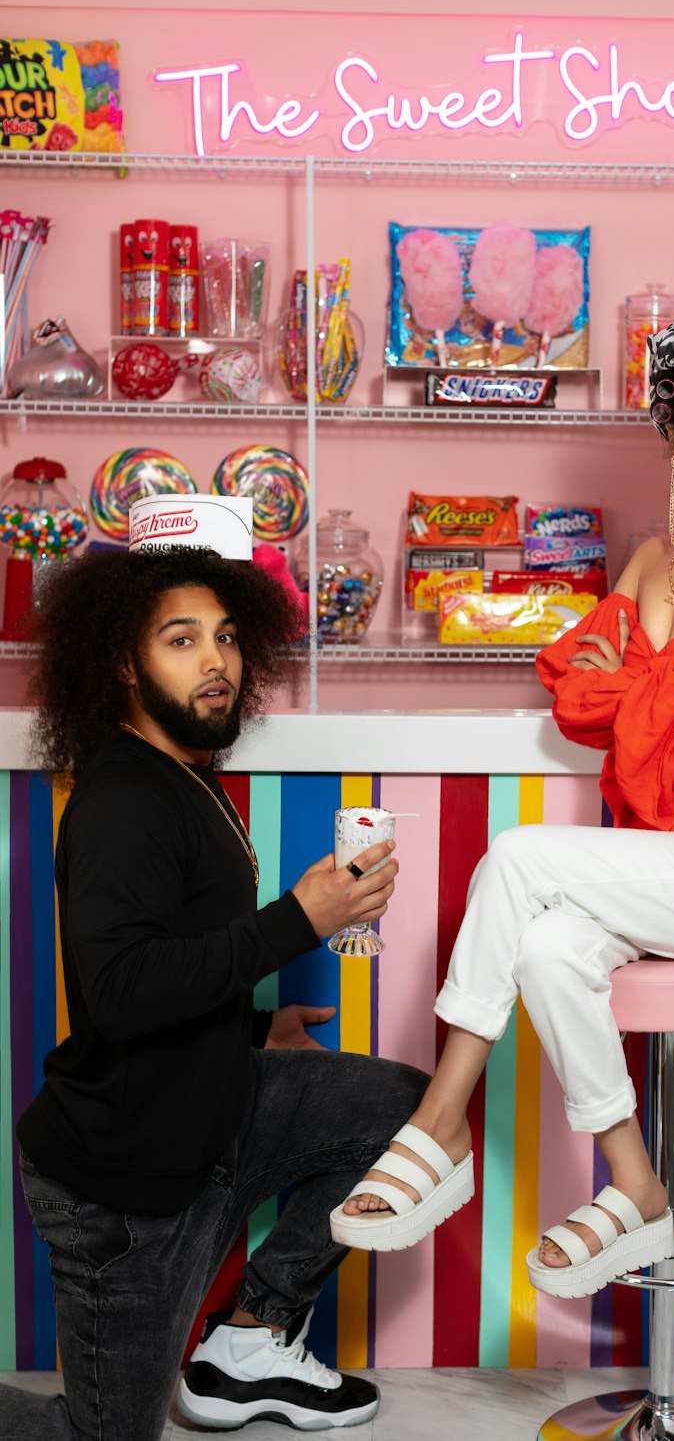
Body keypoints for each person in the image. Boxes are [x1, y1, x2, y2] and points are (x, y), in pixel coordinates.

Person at [327, 309, 674, 1300]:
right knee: (547, 950)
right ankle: (636, 1187)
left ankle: (437, 1122)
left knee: (516, 857)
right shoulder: (645, 564)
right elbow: (575, 695)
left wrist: (653, 689)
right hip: (655, 852)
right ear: (672, 430)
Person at [2, 547, 426, 1441]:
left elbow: (177, 953)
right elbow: (118, 993)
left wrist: (257, 1024)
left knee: (403, 1108)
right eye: (181, 639)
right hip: (123, 1189)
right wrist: (299, 921)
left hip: (214, 1117)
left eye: (227, 637)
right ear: (124, 664)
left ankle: (252, 1340)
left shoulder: (190, 775)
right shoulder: (123, 798)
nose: (216, 661)